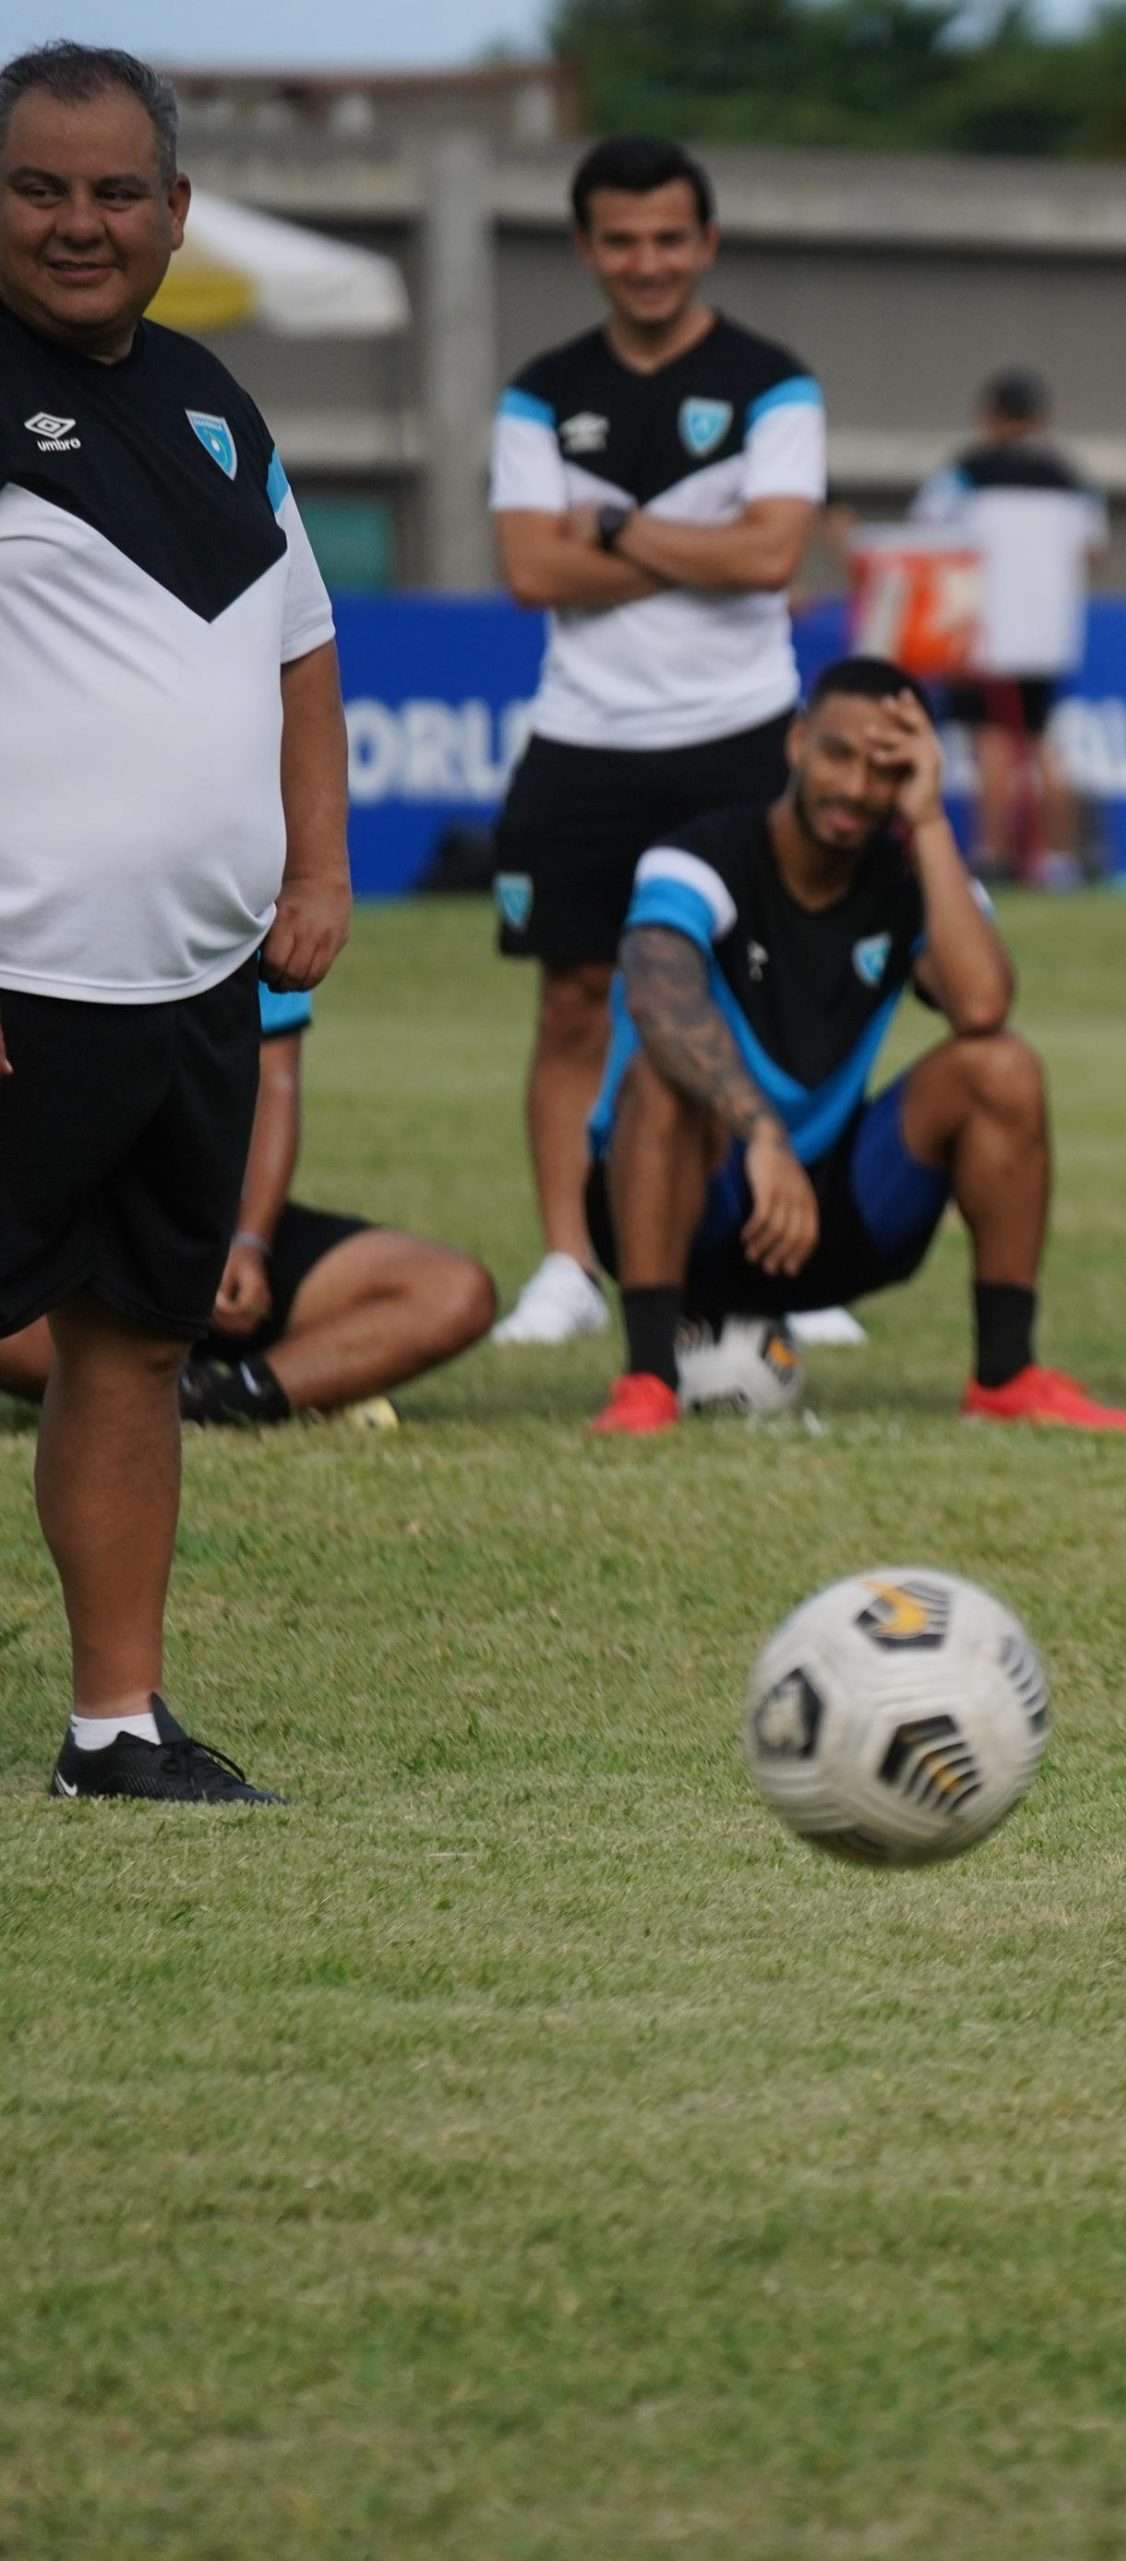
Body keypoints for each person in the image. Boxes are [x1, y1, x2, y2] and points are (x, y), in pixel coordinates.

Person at [0, 41, 344, 1802]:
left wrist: (322, 870)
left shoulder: (215, 397)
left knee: (132, 1346)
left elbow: (298, 646)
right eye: (38, 188)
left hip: (195, 986)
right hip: (17, 983)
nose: (79, 223)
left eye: (113, 190)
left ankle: (115, 1728)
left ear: (174, 210)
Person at [581, 657, 1126, 1437]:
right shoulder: (701, 856)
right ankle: (646, 1382)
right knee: (659, 1074)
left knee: (1002, 1066)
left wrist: (934, 821)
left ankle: (1006, 1377)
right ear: (798, 742)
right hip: (686, 1204)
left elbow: (981, 1004)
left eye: (887, 768)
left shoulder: (910, 869)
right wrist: (763, 1134)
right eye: (839, 754)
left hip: (821, 1217)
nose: (856, 787)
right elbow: (655, 993)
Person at [484, 137, 828, 1352]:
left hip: (741, 736)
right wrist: (703, 540)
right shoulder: (538, 392)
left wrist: (618, 527)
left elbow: (776, 559)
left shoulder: (773, 385)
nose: (646, 261)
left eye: (669, 237)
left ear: (707, 241)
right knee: (575, 1001)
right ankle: (568, 1262)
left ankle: (779, 1253)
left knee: (755, 1005)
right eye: (620, 240)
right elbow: (530, 569)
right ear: (586, 249)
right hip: (582, 739)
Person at [0, 984, 496, 1428]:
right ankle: (155, 1388)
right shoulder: (43, 927)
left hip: (213, 1224)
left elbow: (275, 1088)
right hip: (72, 1222)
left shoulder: (245, 911)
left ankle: (221, 1398)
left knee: (455, 1291)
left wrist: (249, 1242)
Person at [910, 366, 1105, 883]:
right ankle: (1059, 860)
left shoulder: (965, 472)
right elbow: (1092, 549)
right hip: (1047, 634)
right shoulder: (1070, 477)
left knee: (991, 742)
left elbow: (926, 538)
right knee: (1044, 743)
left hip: (984, 633)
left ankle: (993, 854)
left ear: (988, 416)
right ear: (1042, 418)